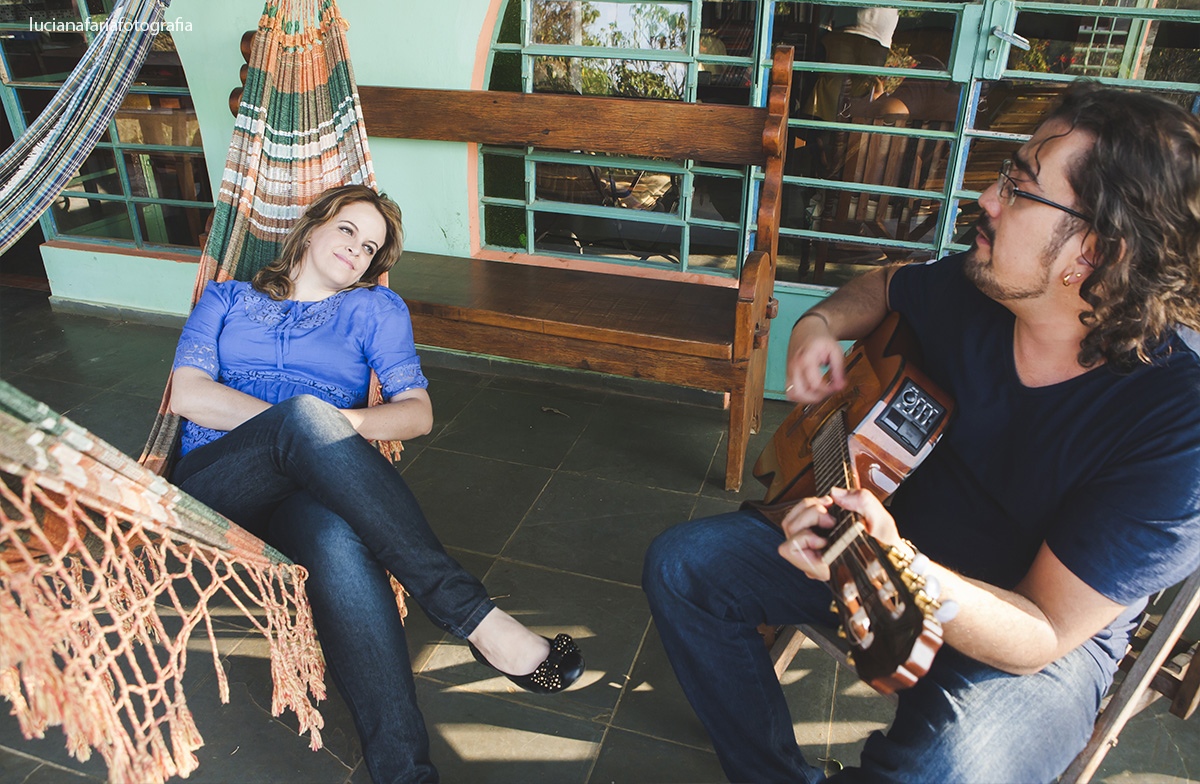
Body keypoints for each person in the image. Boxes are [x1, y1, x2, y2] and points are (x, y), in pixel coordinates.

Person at [643, 81, 1200, 783]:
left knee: (943, 773)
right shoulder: (978, 288)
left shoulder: (1178, 427)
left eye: (1019, 189)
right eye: (1003, 177)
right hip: (886, 549)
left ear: (1093, 255)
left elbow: (1045, 631)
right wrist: (819, 326)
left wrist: (905, 567)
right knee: (685, 567)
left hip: (1032, 638)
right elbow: (886, 285)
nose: (987, 200)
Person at [168, 184, 585, 784]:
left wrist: (338, 429)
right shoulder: (226, 298)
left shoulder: (375, 310)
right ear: (312, 228)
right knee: (306, 415)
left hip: (311, 495)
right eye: (347, 231)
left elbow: (417, 412)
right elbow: (189, 394)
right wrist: (306, 423)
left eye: (369, 248)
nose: (356, 251)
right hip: (220, 484)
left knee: (335, 536)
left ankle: (405, 773)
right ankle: (475, 620)